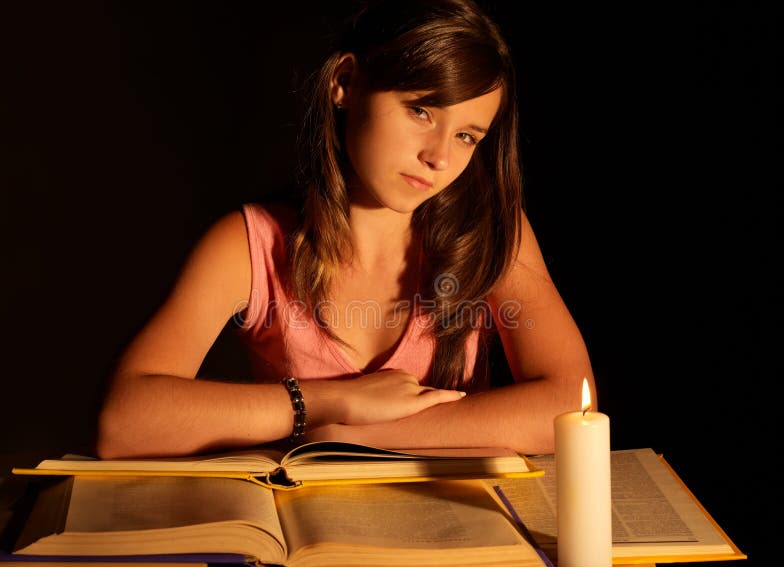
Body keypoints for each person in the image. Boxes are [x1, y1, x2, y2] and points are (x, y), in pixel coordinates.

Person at [96, 0, 595, 460]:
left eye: (467, 136)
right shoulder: (249, 244)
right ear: (346, 82)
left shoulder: (490, 231)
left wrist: (351, 439)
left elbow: (571, 407)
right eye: (421, 110)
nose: (440, 156)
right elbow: (126, 423)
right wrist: (333, 400)